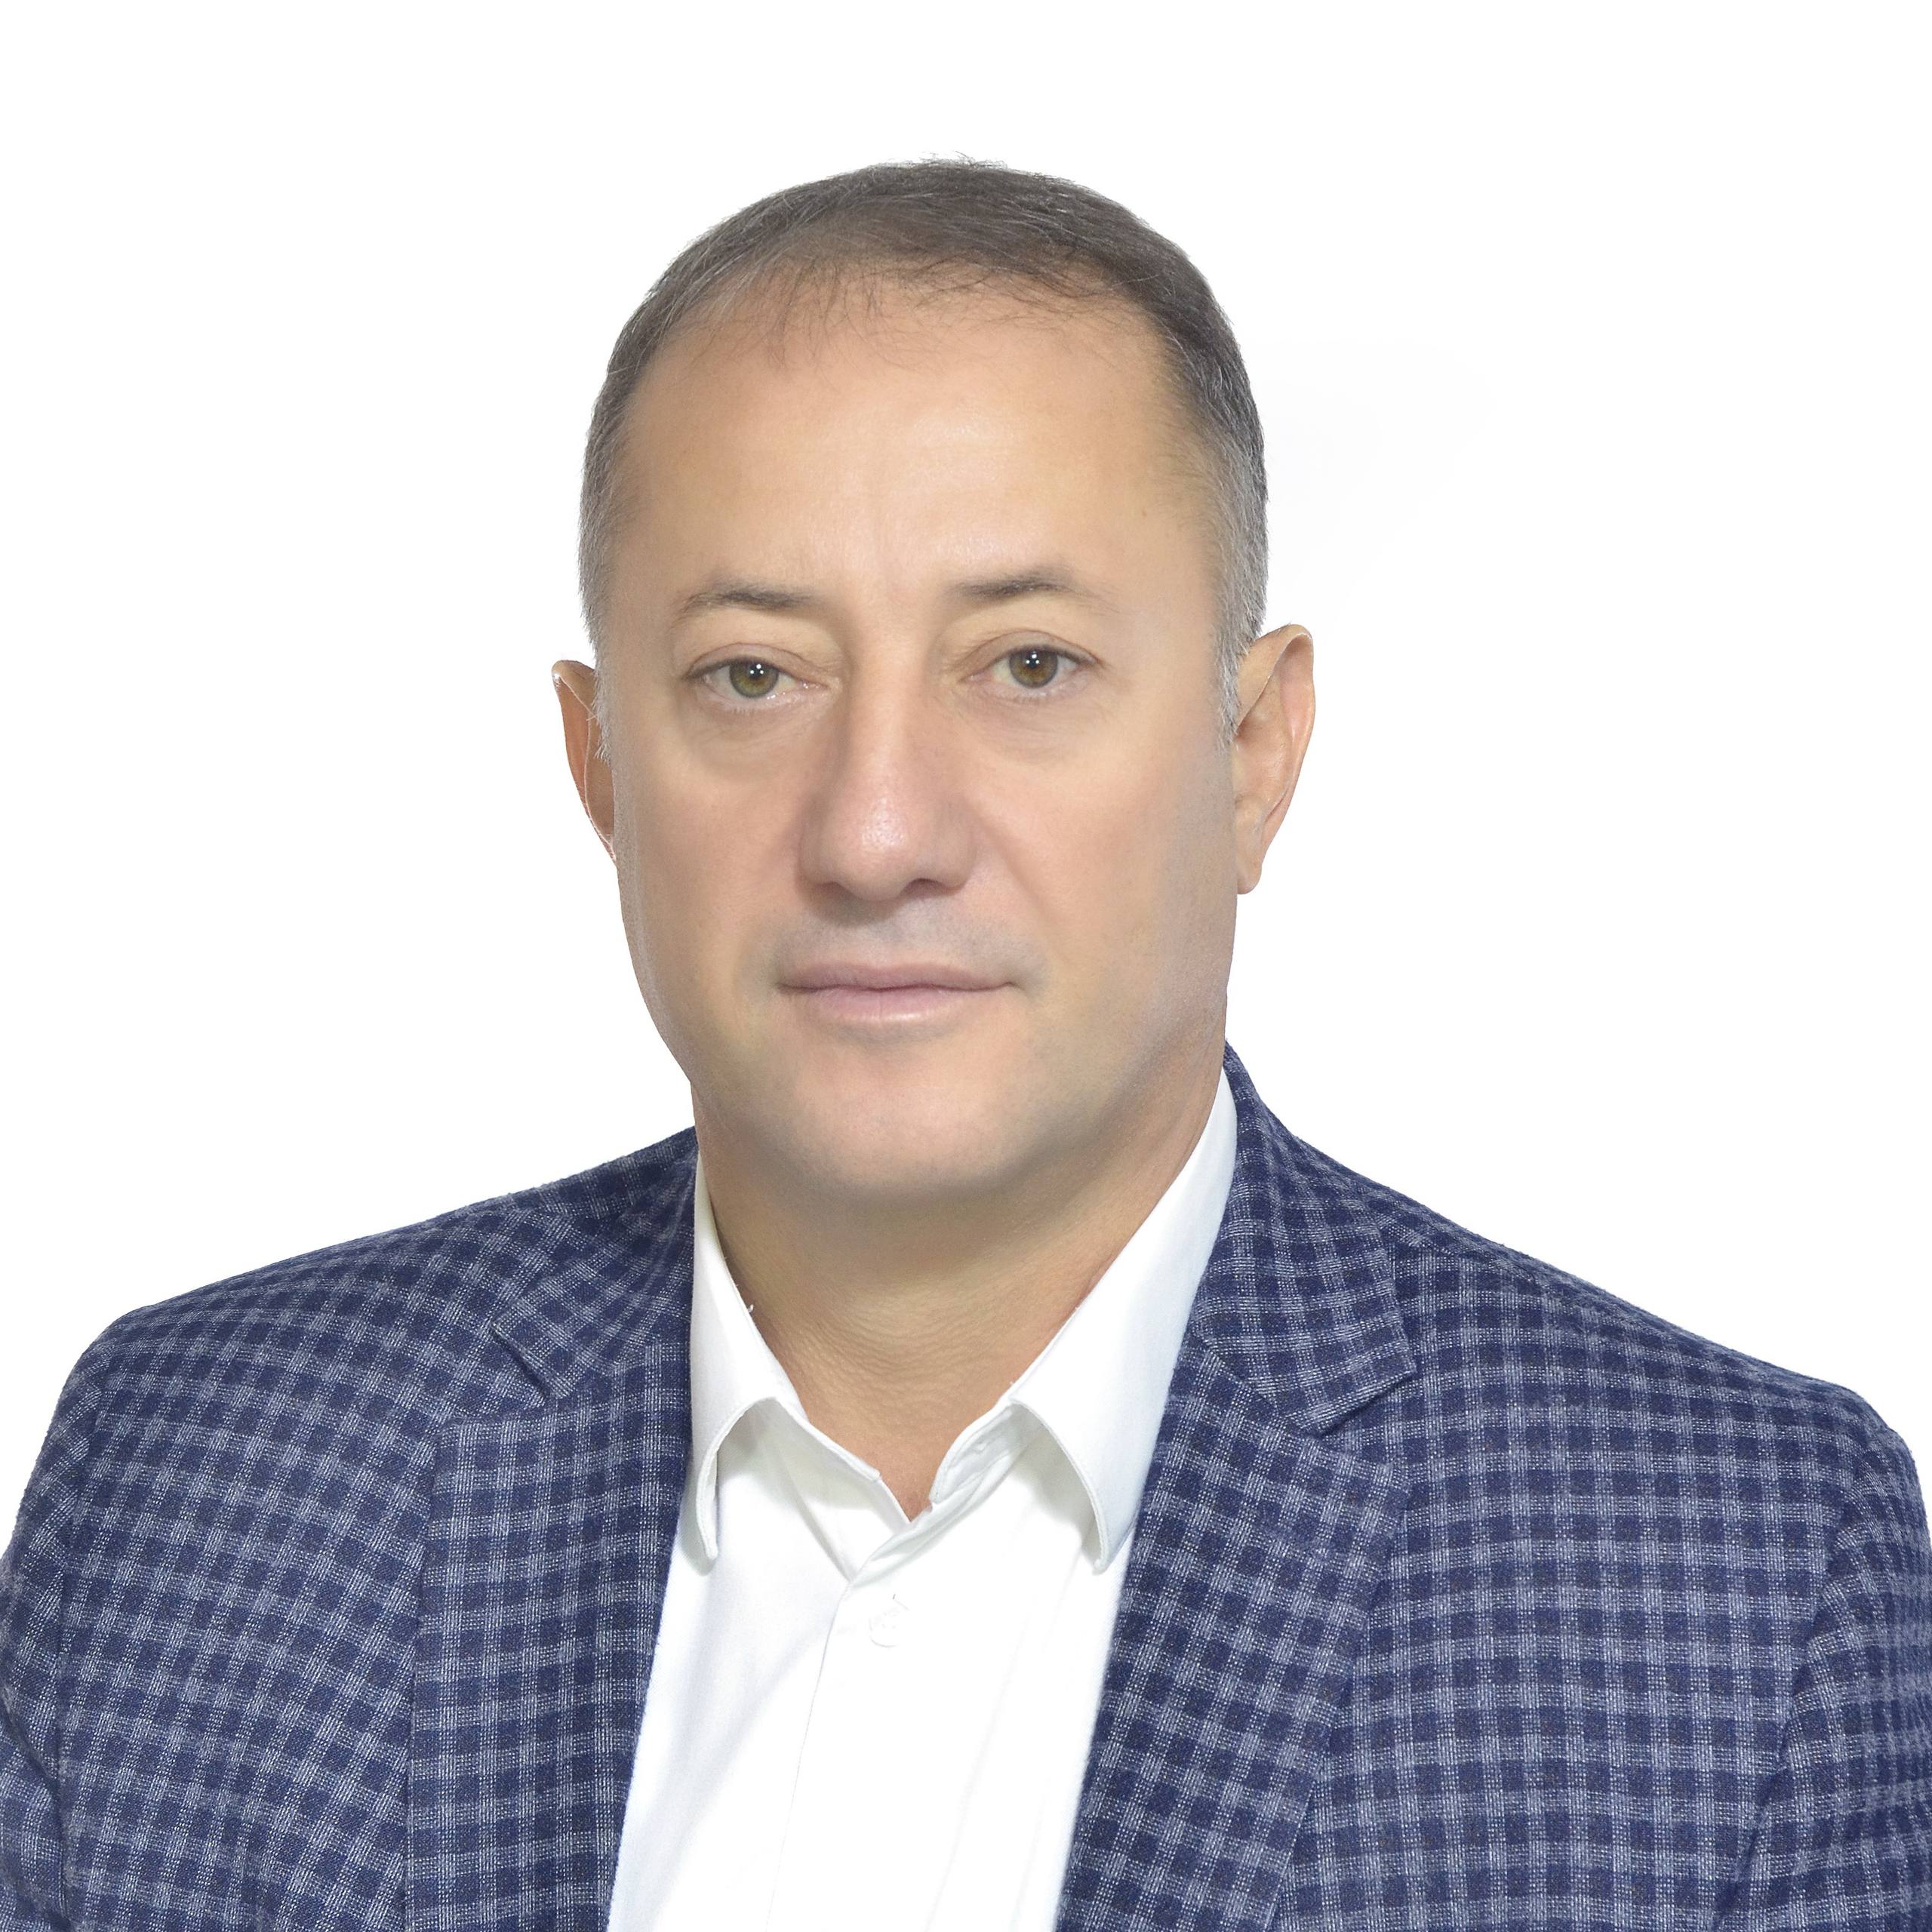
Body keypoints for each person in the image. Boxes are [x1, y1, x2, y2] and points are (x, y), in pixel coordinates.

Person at [3, 158, 1926, 1932]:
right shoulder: (196, 1479)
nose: (873, 831)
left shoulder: (1739, 1581)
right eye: (750, 674)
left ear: (1252, 751)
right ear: (597, 764)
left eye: (1028, 665)